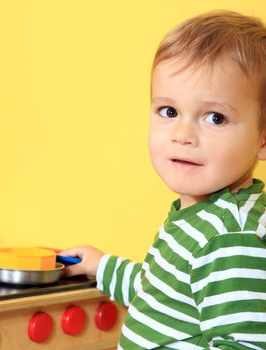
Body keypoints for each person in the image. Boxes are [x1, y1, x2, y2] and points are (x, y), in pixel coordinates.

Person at [61, 10, 266, 349]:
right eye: (169, 112)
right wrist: (102, 266)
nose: (183, 134)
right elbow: (159, 290)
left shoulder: (229, 237)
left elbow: (245, 344)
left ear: (262, 139)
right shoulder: (202, 218)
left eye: (215, 117)